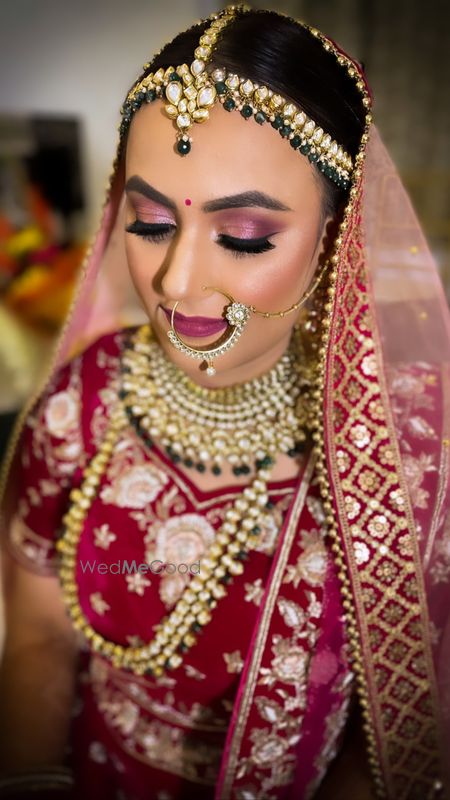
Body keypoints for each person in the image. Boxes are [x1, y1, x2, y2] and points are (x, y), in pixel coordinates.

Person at [0, 5, 449, 799]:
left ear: (336, 237)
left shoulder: (407, 446)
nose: (174, 282)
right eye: (149, 222)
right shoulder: (82, 401)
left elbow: (393, 745)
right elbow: (38, 636)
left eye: (242, 236)